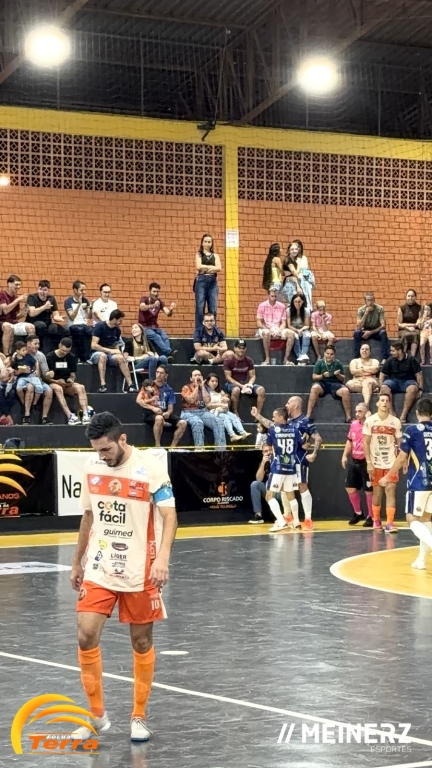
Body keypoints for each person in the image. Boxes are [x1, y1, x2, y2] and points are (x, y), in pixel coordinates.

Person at [69, 411, 177, 743]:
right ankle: (96, 715)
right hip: (100, 565)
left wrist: (162, 559)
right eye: (96, 450)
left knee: (141, 642)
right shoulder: (92, 466)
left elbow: (170, 517)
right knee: (86, 635)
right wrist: (77, 562)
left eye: (106, 449)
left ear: (122, 439)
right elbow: (88, 516)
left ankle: (138, 716)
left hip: (141, 569)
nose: (101, 456)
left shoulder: (151, 468)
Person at [252, 395, 322, 531]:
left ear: (295, 406)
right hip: (288, 462)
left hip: (299, 460)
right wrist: (258, 416)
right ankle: (288, 517)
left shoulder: (305, 421)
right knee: (286, 489)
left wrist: (314, 453)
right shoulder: (288, 422)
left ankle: (308, 519)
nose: (286, 405)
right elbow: (272, 425)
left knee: (302, 486)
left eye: (289, 403)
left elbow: (318, 438)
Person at [380, 398, 432, 569]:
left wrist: (388, 476)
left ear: (417, 413)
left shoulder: (412, 430)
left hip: (418, 482)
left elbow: (402, 457)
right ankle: (421, 560)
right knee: (426, 519)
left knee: (411, 518)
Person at [363, 393, 402, 533]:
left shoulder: (395, 421)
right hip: (375, 462)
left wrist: (403, 461)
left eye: (387, 401)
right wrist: (368, 462)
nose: (384, 403)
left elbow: (400, 443)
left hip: (391, 462)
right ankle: (376, 519)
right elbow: (365, 442)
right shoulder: (370, 421)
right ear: (377, 403)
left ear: (389, 404)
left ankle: (390, 522)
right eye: (382, 400)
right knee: (377, 493)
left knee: (390, 490)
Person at [265, 408, 304, 533]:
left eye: (274, 416)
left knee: (269, 496)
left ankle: (281, 522)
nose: (273, 418)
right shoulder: (295, 429)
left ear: (281, 417)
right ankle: (296, 522)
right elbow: (303, 443)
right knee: (290, 494)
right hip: (291, 468)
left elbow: (268, 446)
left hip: (277, 467)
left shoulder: (273, 430)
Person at [136, 365, 187, 449]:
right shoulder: (148, 385)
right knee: (159, 418)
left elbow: (170, 408)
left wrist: (168, 413)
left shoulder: (169, 390)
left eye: (161, 373)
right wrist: (153, 408)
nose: (158, 375)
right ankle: (158, 446)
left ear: (166, 376)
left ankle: (173, 447)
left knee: (183, 423)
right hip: (150, 414)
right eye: (157, 372)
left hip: (163, 412)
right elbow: (138, 400)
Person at [45, 337, 92, 425]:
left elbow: (72, 374)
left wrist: (71, 379)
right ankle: (70, 416)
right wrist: (56, 381)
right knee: (58, 388)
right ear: (59, 345)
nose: (65, 353)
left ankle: (85, 414)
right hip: (54, 382)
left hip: (66, 383)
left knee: (81, 387)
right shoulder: (50, 357)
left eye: (67, 351)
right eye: (63, 351)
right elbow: (46, 377)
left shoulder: (71, 357)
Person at [341, 402, 373, 526]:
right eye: (356, 411)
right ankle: (358, 513)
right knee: (349, 486)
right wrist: (345, 455)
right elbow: (350, 440)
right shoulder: (354, 424)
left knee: (368, 490)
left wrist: (369, 420)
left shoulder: (371, 424)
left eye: (360, 411)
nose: (357, 414)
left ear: (367, 412)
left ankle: (371, 516)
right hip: (355, 461)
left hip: (367, 462)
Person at [91, 310, 137, 394]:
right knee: (103, 356)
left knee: (120, 358)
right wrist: (110, 350)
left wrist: (118, 351)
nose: (121, 322)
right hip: (97, 353)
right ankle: (103, 385)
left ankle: (130, 385)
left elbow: (115, 344)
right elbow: (93, 345)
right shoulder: (100, 326)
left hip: (110, 354)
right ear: (115, 319)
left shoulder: (117, 330)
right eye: (120, 320)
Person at [11, 336, 53, 424]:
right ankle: (27, 415)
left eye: (38, 344)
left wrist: (49, 374)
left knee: (49, 390)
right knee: (30, 387)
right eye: (35, 344)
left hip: (36, 379)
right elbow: (14, 371)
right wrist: (21, 371)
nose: (37, 346)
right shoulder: (17, 354)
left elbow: (45, 373)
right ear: (28, 344)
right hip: (22, 378)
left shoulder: (40, 355)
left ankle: (44, 417)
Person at [180, 370, 226, 449]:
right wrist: (197, 387)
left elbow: (207, 401)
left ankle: (220, 450)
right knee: (198, 422)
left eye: (199, 375)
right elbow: (191, 400)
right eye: (195, 375)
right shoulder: (186, 388)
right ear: (191, 378)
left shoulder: (205, 388)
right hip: (188, 412)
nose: (198, 377)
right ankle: (200, 450)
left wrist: (202, 387)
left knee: (218, 422)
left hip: (202, 411)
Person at [380, 341, 422, 423]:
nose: (391, 352)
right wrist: (381, 386)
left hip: (408, 381)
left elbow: (419, 375)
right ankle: (391, 413)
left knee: (413, 388)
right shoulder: (390, 360)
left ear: (399, 351)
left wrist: (420, 389)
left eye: (393, 351)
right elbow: (382, 374)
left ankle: (403, 415)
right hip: (393, 381)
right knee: (384, 387)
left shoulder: (411, 359)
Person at [306, 345, 352, 422]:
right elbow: (314, 377)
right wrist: (322, 376)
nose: (329, 356)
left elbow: (343, 378)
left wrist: (338, 375)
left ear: (334, 355)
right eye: (327, 353)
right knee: (314, 388)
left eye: (331, 354)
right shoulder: (319, 363)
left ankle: (348, 417)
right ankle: (308, 415)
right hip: (322, 382)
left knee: (345, 391)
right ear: (324, 353)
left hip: (335, 383)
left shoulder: (338, 363)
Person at [223, 340, 266, 417]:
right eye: (239, 348)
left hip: (245, 383)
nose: (241, 350)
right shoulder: (228, 361)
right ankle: (235, 413)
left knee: (261, 390)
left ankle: (258, 414)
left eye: (243, 348)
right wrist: (241, 386)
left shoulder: (249, 360)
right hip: (232, 384)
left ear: (245, 349)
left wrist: (249, 384)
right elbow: (228, 377)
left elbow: (253, 376)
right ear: (235, 348)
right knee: (236, 390)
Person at [205, 373, 251, 443]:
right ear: (208, 382)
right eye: (212, 381)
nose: (214, 383)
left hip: (223, 410)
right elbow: (208, 405)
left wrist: (227, 400)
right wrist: (220, 404)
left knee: (233, 416)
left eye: (216, 381)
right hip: (213, 412)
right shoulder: (206, 392)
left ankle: (243, 432)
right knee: (225, 417)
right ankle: (232, 435)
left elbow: (226, 401)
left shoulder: (220, 391)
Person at [26, 279, 69, 353]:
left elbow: (55, 315)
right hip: (33, 323)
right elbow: (32, 313)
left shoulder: (51, 298)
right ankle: (40, 350)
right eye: (40, 289)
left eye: (45, 290)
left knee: (62, 330)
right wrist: (44, 307)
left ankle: (58, 351)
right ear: (38, 289)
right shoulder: (32, 297)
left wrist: (58, 318)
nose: (42, 292)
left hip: (47, 324)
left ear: (48, 290)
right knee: (41, 325)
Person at [256, 289, 294, 366]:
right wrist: (267, 329)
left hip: (278, 328)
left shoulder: (282, 306)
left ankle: (286, 359)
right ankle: (267, 359)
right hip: (266, 328)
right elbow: (259, 323)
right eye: (272, 296)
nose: (274, 298)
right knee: (266, 333)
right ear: (268, 296)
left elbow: (283, 323)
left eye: (275, 296)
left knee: (291, 334)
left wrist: (279, 330)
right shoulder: (262, 306)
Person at [0, 275, 34, 355]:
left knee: (31, 327)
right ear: (9, 284)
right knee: (8, 326)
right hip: (2, 322)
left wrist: (23, 313)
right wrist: (18, 300)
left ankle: (30, 353)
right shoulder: (2, 294)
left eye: (19, 285)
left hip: (13, 323)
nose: (18, 287)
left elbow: (15, 317)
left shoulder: (16, 297)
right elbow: (5, 311)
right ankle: (6, 355)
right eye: (16, 284)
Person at [138, 283, 175, 357]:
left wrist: (171, 310)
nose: (156, 294)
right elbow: (142, 307)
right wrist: (153, 305)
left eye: (157, 292)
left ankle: (167, 356)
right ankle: (169, 352)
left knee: (164, 336)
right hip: (144, 327)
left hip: (155, 327)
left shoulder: (159, 302)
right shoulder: (144, 299)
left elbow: (168, 313)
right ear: (150, 291)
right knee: (156, 336)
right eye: (154, 291)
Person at [194, 234, 221, 328]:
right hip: (201, 281)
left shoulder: (215, 255)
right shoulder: (199, 254)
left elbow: (219, 268)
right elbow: (198, 267)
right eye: (205, 241)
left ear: (212, 243)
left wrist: (205, 268)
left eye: (209, 242)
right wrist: (212, 268)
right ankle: (199, 331)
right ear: (202, 243)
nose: (207, 243)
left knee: (213, 308)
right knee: (200, 308)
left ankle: (212, 331)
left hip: (213, 283)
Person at [353, 292, 389, 363]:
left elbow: (383, 325)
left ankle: (385, 358)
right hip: (364, 331)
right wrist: (366, 313)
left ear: (374, 300)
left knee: (383, 333)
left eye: (372, 300)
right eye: (368, 300)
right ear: (365, 301)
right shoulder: (361, 310)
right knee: (356, 333)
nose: (370, 302)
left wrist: (370, 332)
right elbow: (358, 327)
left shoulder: (380, 309)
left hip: (376, 331)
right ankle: (357, 358)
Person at [64, 280, 93, 363]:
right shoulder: (68, 301)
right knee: (79, 331)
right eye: (82, 290)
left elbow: (89, 317)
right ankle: (80, 357)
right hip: (73, 325)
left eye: (85, 290)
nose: (84, 292)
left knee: (92, 331)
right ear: (75, 290)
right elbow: (72, 317)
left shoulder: (86, 300)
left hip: (84, 325)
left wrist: (91, 308)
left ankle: (88, 357)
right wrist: (79, 305)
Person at [346, 343, 380, 409]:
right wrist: (368, 371)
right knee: (348, 384)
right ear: (360, 350)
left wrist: (360, 369)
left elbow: (375, 369)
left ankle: (366, 406)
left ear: (370, 351)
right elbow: (353, 371)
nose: (364, 351)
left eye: (367, 349)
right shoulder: (354, 361)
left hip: (371, 380)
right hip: (357, 381)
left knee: (367, 383)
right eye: (362, 349)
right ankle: (371, 390)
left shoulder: (374, 361)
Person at [282, 240, 314, 310]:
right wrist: (299, 264)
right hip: (290, 285)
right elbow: (295, 274)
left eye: (296, 249)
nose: (294, 251)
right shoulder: (288, 260)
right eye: (292, 249)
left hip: (294, 283)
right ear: (289, 250)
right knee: (293, 306)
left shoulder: (294, 260)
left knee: (297, 306)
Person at [248, 443, 272, 524]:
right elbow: (259, 479)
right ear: (262, 453)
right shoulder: (263, 462)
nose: (268, 453)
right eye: (266, 451)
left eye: (270, 450)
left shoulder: (278, 459)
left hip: (280, 490)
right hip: (268, 488)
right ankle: (258, 515)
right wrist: (263, 463)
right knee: (255, 484)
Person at [286, 293, 311, 365]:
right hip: (293, 329)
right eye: (295, 301)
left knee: (307, 335)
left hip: (302, 328)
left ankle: (304, 354)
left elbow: (307, 325)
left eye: (299, 301)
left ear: (302, 302)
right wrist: (296, 330)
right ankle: (299, 355)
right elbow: (289, 325)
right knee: (295, 336)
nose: (297, 303)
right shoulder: (289, 310)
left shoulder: (306, 311)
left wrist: (301, 330)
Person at [397, 289, 421, 357]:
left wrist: (409, 325)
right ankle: (403, 356)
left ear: (415, 297)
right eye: (409, 296)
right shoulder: (402, 308)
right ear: (406, 297)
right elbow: (399, 324)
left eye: (412, 296)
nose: (410, 298)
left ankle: (412, 358)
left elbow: (419, 322)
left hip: (415, 329)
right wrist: (408, 327)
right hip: (404, 330)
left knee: (415, 335)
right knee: (405, 336)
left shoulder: (419, 308)